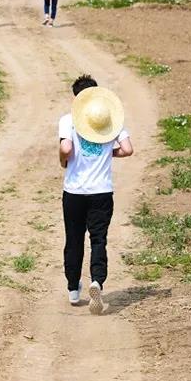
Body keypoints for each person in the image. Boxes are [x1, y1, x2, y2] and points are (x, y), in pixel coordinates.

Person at [59, 75, 133, 315]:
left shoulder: (68, 121)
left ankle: (73, 288)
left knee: (74, 238)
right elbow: (128, 149)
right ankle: (97, 281)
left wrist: (63, 160)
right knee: (98, 239)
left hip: (74, 191)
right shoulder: (111, 121)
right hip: (101, 191)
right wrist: (108, 154)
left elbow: (66, 149)